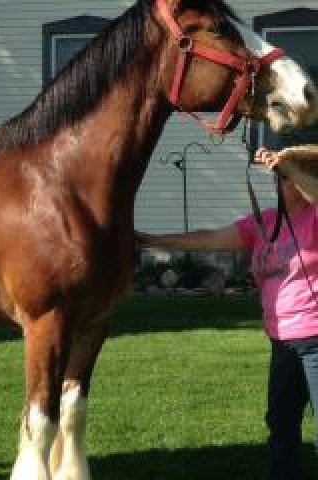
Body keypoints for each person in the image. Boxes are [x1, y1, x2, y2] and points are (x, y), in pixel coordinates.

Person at [137, 146, 318, 480]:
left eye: (289, 178)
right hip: (283, 342)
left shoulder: (315, 216)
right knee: (281, 424)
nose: (282, 182)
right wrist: (152, 240)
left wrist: (289, 166)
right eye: (279, 178)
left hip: (315, 338)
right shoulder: (263, 223)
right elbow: (211, 239)